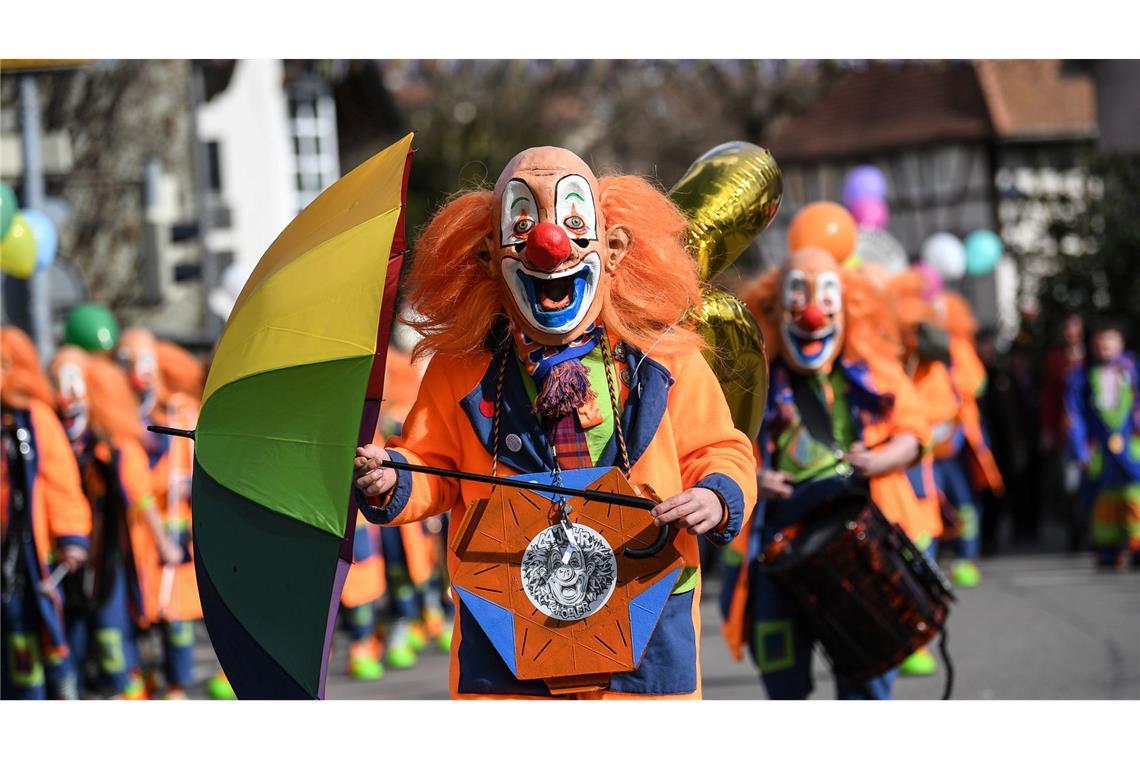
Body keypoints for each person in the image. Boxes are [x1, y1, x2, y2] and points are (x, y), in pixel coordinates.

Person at [352, 146, 757, 699]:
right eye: (524, 225)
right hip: (512, 625)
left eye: (572, 222)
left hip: (644, 614)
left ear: (611, 249)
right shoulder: (461, 369)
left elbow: (720, 449)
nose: (550, 244)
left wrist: (716, 493)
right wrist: (395, 475)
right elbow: (434, 465)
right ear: (489, 256)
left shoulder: (664, 355)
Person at [721, 247, 931, 699]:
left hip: (854, 542)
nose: (813, 315)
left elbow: (914, 433)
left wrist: (879, 459)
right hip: (780, 544)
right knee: (782, 674)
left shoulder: (873, 372)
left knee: (865, 675)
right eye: (798, 298)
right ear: (775, 309)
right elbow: (716, 445)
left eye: (826, 299)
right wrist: (753, 478)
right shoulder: (750, 379)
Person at [48, 348, 183, 698]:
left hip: (115, 559)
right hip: (80, 557)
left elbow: (141, 496)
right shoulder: (65, 440)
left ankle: (134, 690)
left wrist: (163, 542)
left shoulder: (118, 446)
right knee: (79, 636)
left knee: (114, 633)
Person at [1, 327, 92, 699]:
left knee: (43, 641)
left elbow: (60, 481)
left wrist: (71, 537)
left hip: (29, 558)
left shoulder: (35, 419)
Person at [116, 329, 204, 698]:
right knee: (141, 612)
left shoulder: (181, 410)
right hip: (136, 537)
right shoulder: (122, 419)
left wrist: (192, 482)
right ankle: (142, 678)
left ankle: (177, 686)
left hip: (177, 531)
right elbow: (134, 485)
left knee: (178, 613)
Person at [1065, 319, 1140, 569]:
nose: (1104, 346)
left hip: (1131, 445)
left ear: (1121, 343)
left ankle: (1137, 545)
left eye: (1110, 340)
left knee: (1134, 496)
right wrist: (1080, 448)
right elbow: (1074, 415)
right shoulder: (1082, 375)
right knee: (1104, 500)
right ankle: (1108, 549)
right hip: (1101, 449)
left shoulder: (1132, 370)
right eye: (1099, 341)